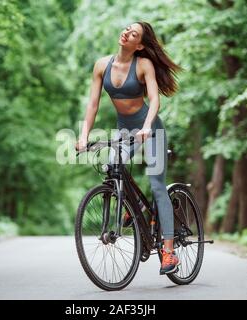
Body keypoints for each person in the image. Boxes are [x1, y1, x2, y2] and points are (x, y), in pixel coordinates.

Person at [75, 21, 182, 275]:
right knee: (113, 167)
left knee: (157, 184)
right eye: (127, 29)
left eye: (134, 34)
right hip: (124, 130)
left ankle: (168, 252)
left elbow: (154, 100)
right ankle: (132, 207)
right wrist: (83, 136)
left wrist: (146, 127)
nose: (126, 33)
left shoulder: (143, 65)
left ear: (140, 45)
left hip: (151, 128)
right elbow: (93, 105)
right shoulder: (102, 65)